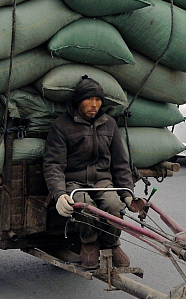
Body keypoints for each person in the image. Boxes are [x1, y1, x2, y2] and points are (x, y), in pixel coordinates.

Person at [42, 76, 142, 270]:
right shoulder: (61, 126)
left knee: (114, 206)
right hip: (74, 181)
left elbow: (121, 164)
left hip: (102, 181)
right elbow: (53, 165)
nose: (94, 105)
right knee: (85, 207)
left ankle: (112, 245)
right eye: (89, 99)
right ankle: (89, 243)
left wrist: (128, 195)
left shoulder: (109, 124)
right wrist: (59, 194)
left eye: (98, 100)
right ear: (79, 100)